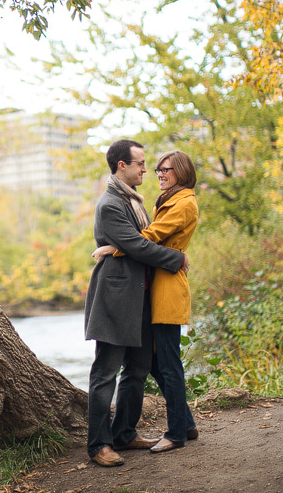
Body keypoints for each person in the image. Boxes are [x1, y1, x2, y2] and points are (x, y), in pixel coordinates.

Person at [84, 139, 189, 467]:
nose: (147, 169)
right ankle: (98, 444)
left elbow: (142, 241)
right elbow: (137, 245)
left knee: (138, 369)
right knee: (105, 372)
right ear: (122, 166)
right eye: (141, 163)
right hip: (115, 299)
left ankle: (124, 433)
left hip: (140, 297)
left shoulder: (134, 200)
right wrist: (176, 258)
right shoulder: (111, 203)